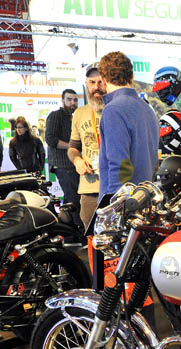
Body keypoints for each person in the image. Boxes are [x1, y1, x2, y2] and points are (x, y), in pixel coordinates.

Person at [97, 51, 159, 199]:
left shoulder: (113, 109)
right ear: (132, 77)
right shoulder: (147, 109)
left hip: (124, 202)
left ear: (103, 79)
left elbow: (119, 167)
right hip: (144, 198)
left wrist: (114, 206)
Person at [68, 64, 105, 230]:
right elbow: (73, 147)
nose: (96, 87)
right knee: (91, 236)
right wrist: (77, 160)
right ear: (86, 84)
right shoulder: (80, 113)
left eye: (100, 82)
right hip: (89, 188)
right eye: (92, 82)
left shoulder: (117, 109)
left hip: (115, 188)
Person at [45, 88, 82, 228]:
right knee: (73, 199)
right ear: (62, 100)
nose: (73, 102)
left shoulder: (76, 116)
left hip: (74, 164)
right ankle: (77, 230)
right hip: (63, 164)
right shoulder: (56, 116)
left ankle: (68, 230)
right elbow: (50, 139)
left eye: (75, 100)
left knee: (71, 198)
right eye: (69, 99)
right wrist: (72, 147)